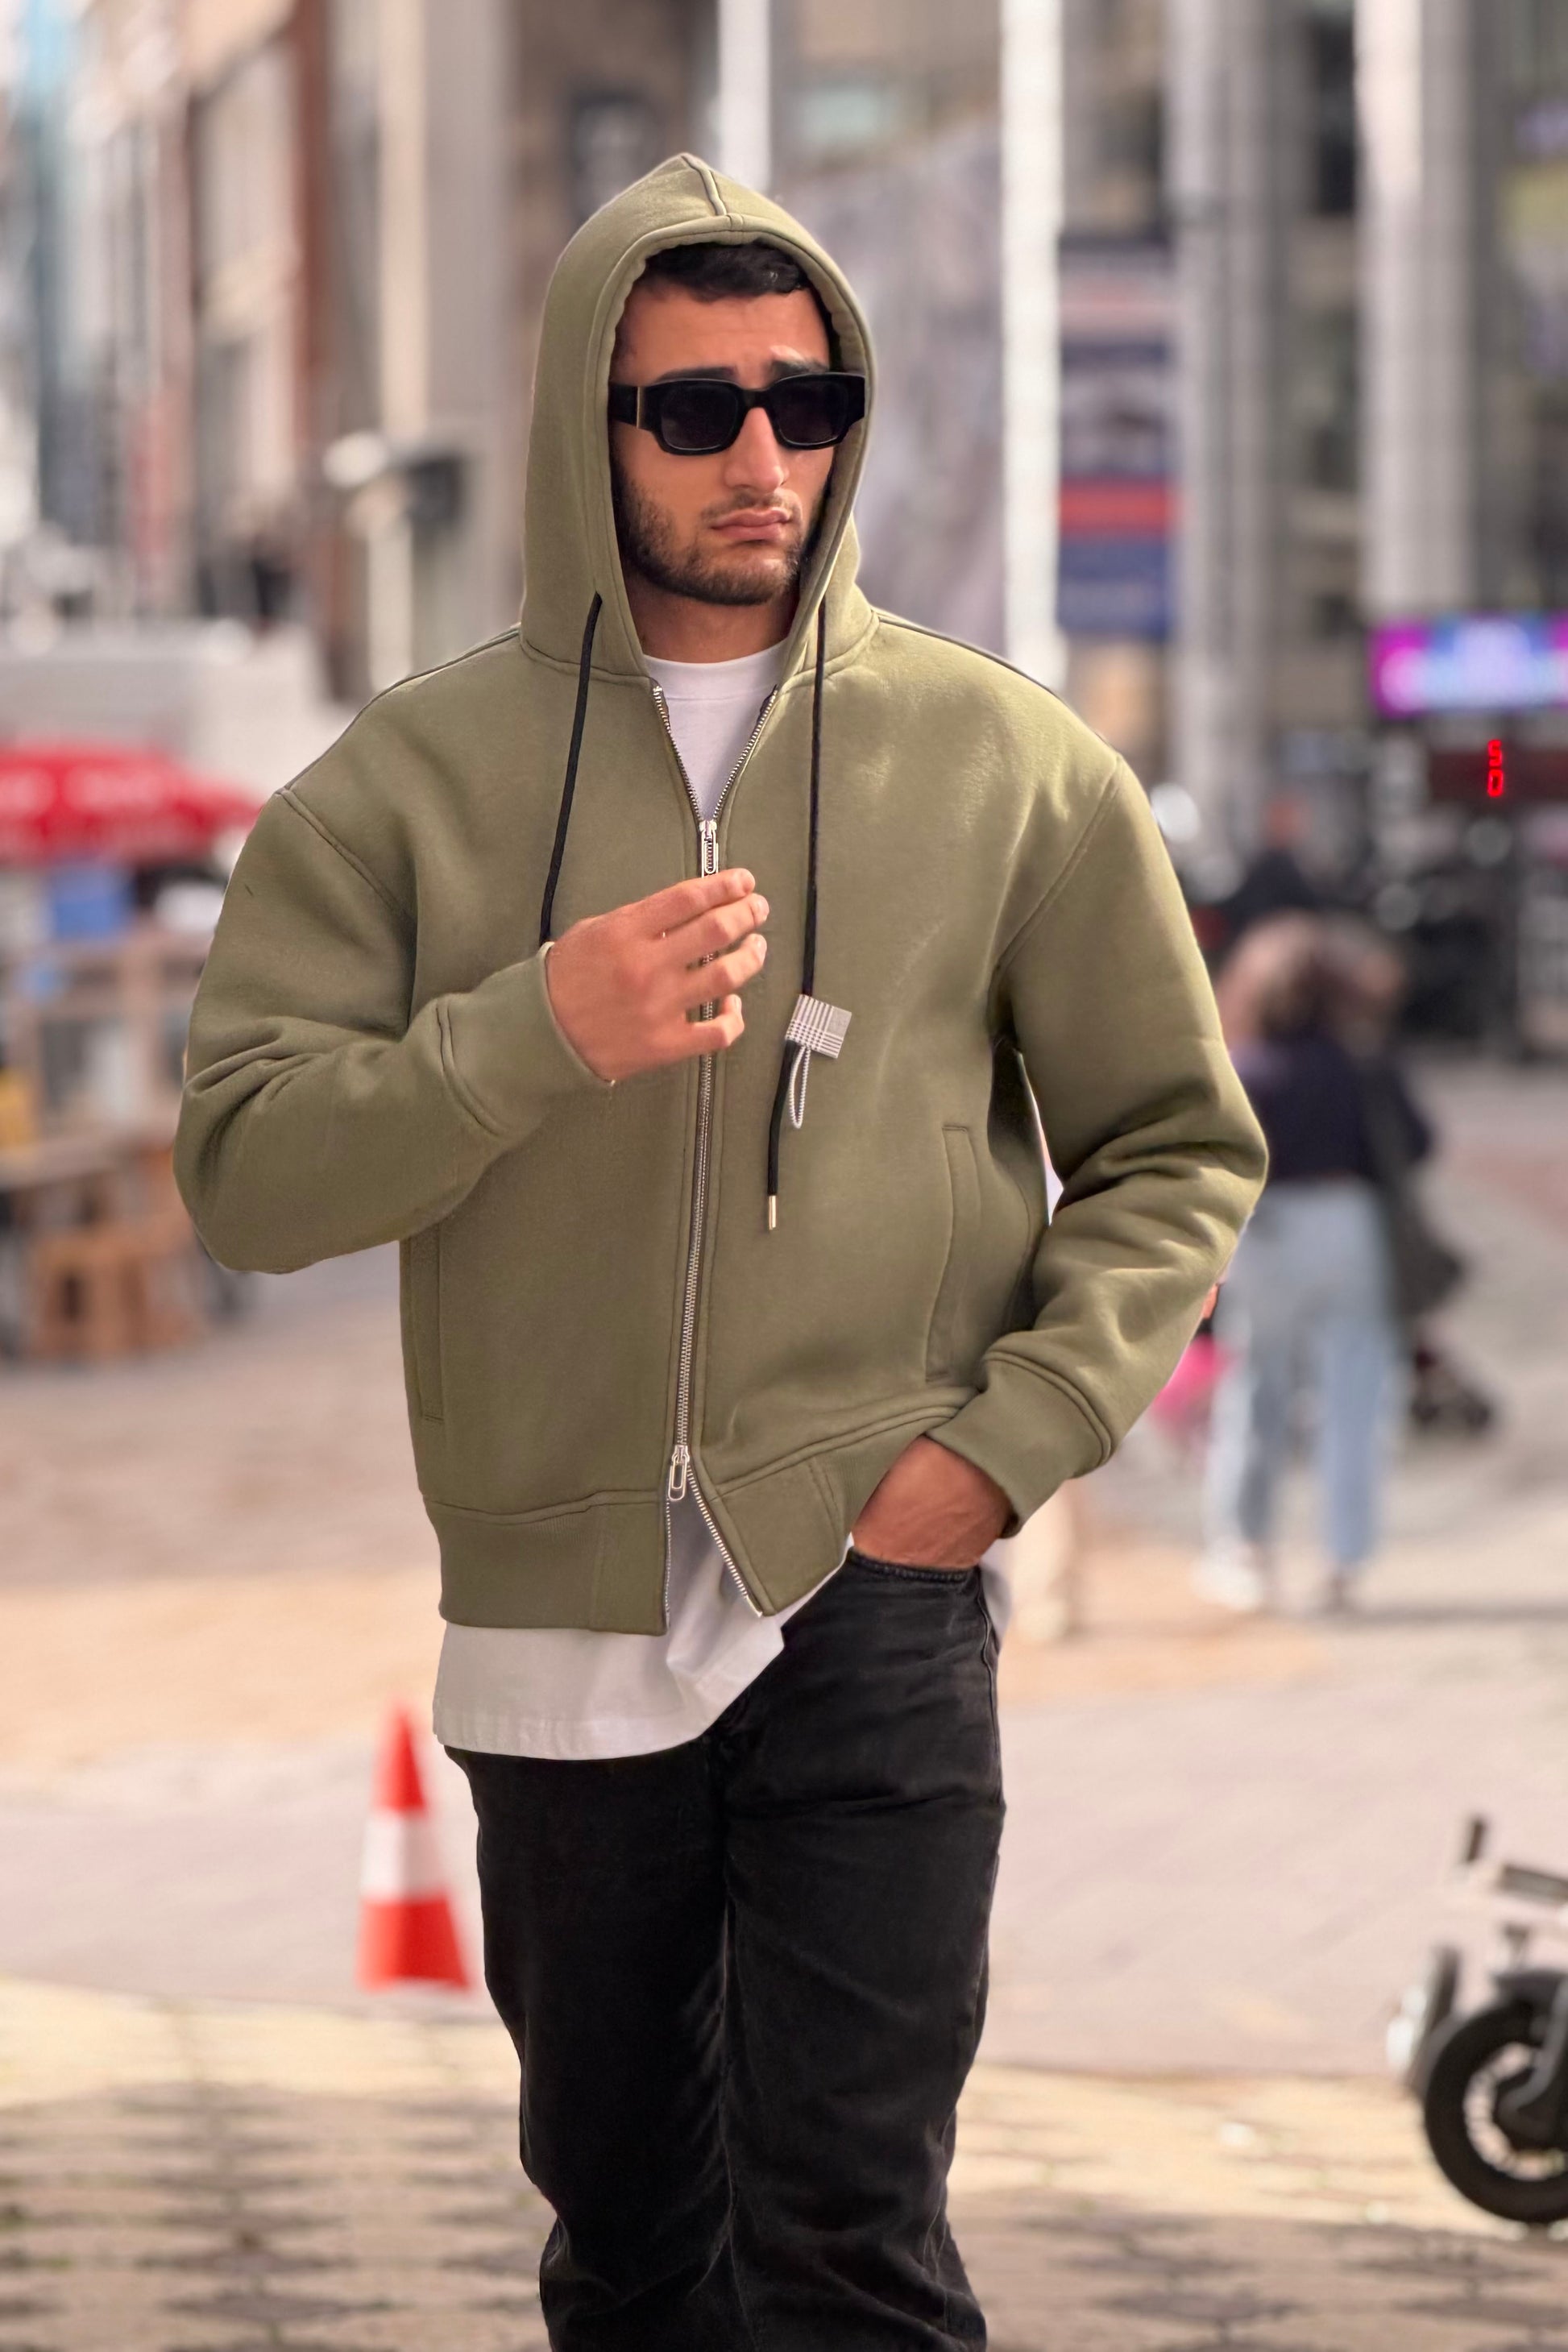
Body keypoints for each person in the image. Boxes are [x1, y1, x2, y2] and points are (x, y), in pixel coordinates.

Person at [175, 156, 1265, 2352]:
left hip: (873, 1582)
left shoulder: (1007, 763)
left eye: (807, 400)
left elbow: (1172, 1147)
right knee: (632, 2248)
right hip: (558, 1612)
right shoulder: (406, 783)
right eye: (695, 409)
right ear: (591, 428)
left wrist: (1003, 1447)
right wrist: (531, 1035)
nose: (763, 454)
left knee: (854, 2242)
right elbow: (246, 1170)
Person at [1200, 912, 1428, 1616]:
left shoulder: (1243, 1067)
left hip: (1264, 1233)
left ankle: (1246, 1551)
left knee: (1255, 1392)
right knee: (1355, 1396)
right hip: (1348, 1224)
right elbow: (1419, 1141)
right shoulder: (1362, 1063)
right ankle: (1343, 1562)